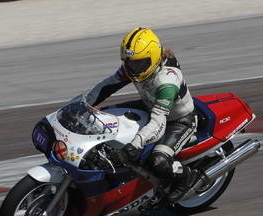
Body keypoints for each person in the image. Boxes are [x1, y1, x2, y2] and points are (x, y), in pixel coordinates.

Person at [81, 27, 200, 201]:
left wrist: (135, 144)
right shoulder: (133, 68)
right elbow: (106, 86)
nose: (133, 68)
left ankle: (186, 177)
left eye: (139, 63)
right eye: (129, 63)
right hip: (150, 106)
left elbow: (159, 123)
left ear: (153, 57)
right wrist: (80, 104)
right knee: (102, 116)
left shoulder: (167, 81)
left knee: (157, 162)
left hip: (178, 120)